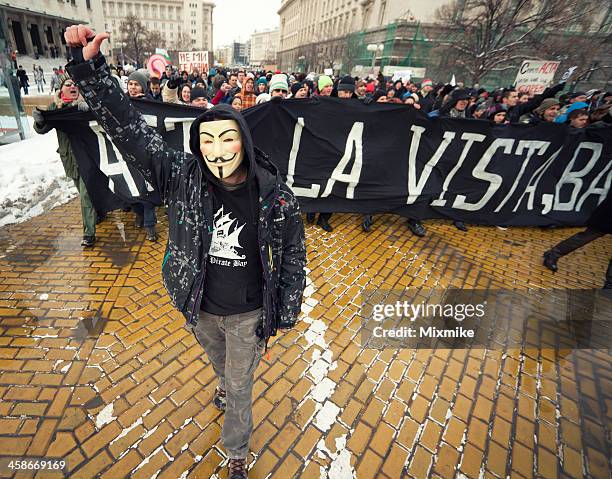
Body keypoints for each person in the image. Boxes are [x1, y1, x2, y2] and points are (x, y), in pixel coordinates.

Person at [64, 25, 306, 479]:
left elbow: (293, 253)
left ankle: (235, 451)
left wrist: (284, 313)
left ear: (244, 142)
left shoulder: (275, 194)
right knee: (222, 368)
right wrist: (89, 70)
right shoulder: (182, 177)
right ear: (197, 146)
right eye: (207, 141)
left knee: (239, 383)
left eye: (227, 139)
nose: (218, 151)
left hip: (249, 312)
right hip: (199, 306)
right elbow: (131, 132)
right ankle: (226, 386)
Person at [32, 76, 97, 247]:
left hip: (87, 157)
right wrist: (39, 121)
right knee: (83, 192)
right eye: (68, 85)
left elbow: (99, 120)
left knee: (85, 195)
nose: (73, 86)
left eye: (76, 84)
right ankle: (97, 213)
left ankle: (89, 233)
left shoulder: (83, 104)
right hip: (69, 157)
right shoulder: (56, 107)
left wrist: (89, 110)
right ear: (61, 90)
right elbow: (43, 128)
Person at [543, 193, 610, 288]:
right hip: (608, 215)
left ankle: (609, 284)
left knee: (587, 236)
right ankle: (553, 254)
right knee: (587, 236)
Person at [125, 70, 159, 242]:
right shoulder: (121, 102)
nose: (132, 87)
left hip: (146, 154)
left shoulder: (151, 104)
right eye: (130, 84)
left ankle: (150, 225)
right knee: (132, 188)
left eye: (136, 84)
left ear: (143, 87)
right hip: (127, 153)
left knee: (147, 190)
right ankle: (138, 214)